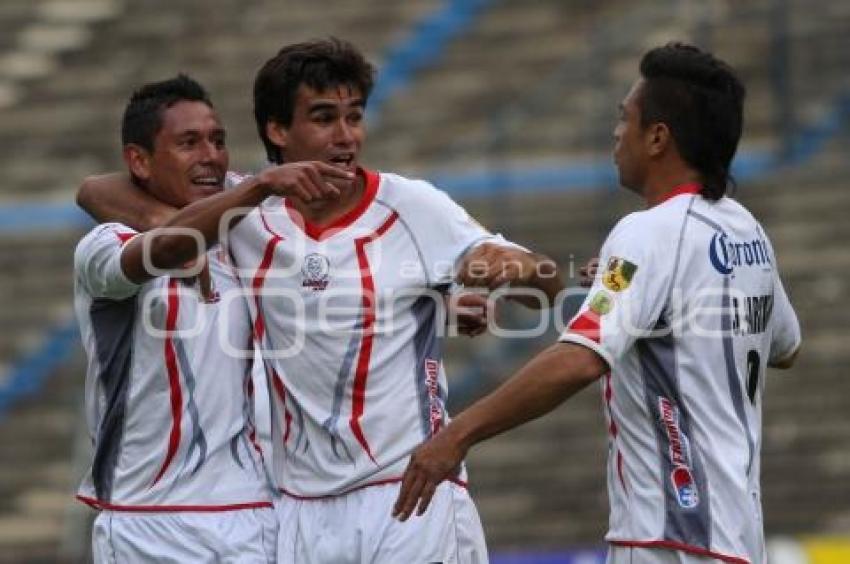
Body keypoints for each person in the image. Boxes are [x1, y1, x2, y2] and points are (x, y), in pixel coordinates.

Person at [77, 37, 563, 563]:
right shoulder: (245, 213)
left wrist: (513, 276)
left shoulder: (412, 205)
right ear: (278, 131)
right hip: (297, 513)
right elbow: (96, 190)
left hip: (407, 489)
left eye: (354, 117)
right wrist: (164, 223)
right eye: (325, 118)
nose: (345, 136)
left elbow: (544, 287)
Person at [392, 42, 802, 564]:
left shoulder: (648, 233)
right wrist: (626, 294)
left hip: (668, 537)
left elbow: (580, 359)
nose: (616, 134)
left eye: (624, 118)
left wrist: (457, 433)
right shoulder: (747, 232)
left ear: (657, 137)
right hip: (737, 539)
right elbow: (786, 345)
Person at [73, 74, 349, 562]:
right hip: (148, 519)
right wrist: (255, 187)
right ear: (139, 160)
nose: (212, 156)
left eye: (218, 141)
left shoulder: (246, 229)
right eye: (188, 143)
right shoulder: (102, 247)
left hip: (254, 511)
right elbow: (112, 203)